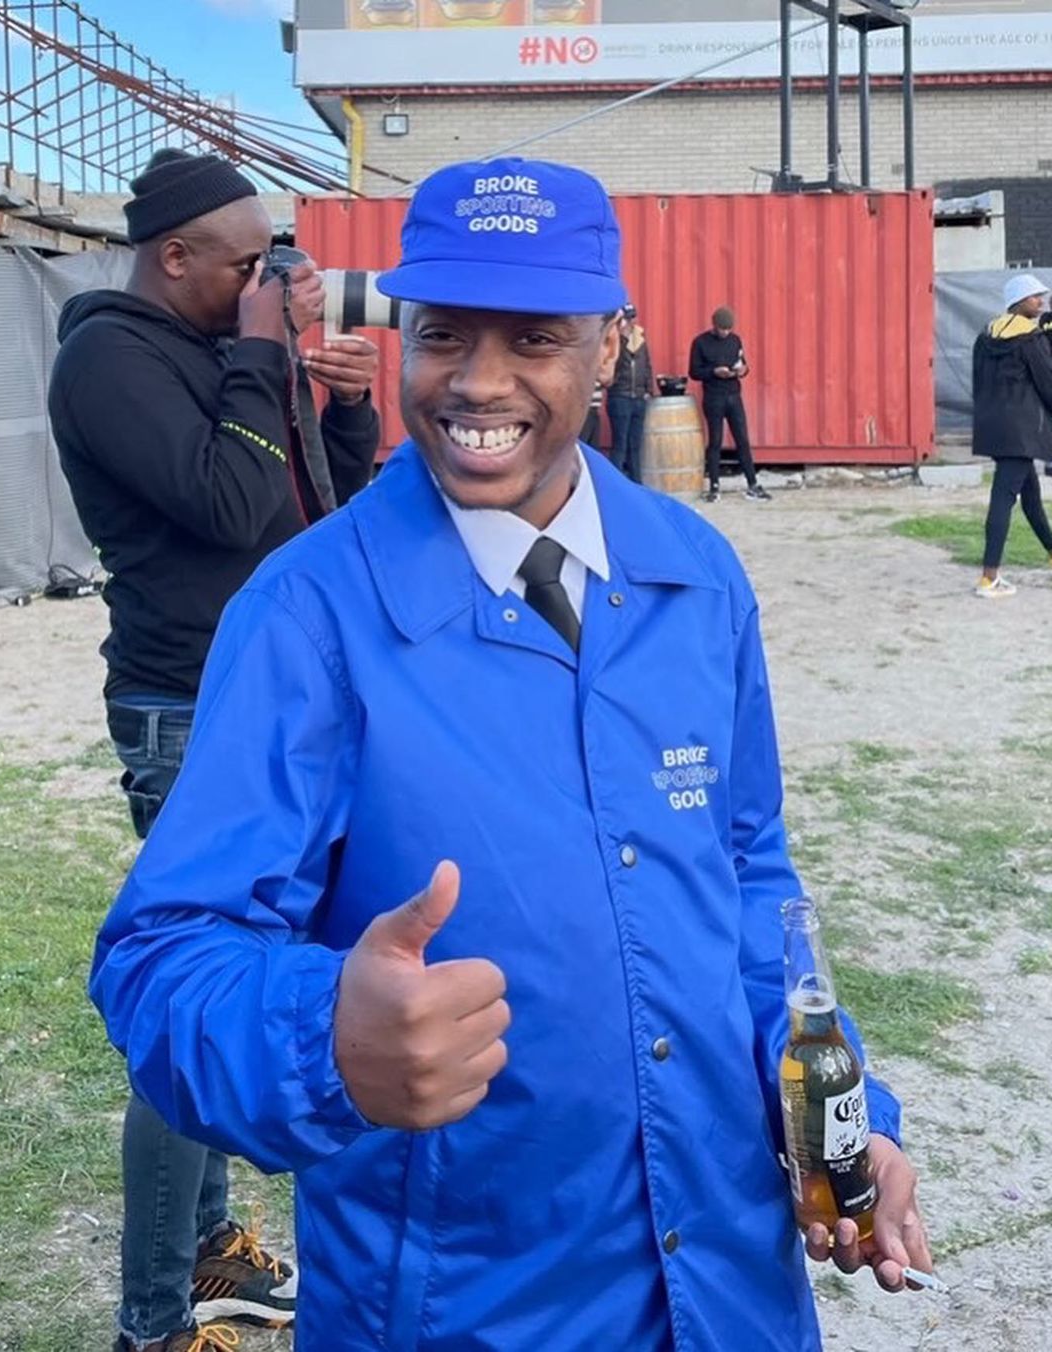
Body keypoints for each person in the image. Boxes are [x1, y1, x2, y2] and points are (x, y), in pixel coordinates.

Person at [90, 156, 935, 1352]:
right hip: (466, 1305)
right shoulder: (309, 616)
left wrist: (846, 1125)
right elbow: (163, 954)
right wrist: (323, 1036)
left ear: (611, 344)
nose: (478, 381)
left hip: (731, 1287)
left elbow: (748, 877)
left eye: (534, 337)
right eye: (444, 333)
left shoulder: (697, 575)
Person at [48, 149, 381, 1352]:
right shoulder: (107, 357)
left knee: (241, 984)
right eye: (247, 266)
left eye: (272, 264)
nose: (268, 284)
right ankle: (152, 1323)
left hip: (266, 702)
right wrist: (260, 352)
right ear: (173, 256)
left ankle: (207, 1251)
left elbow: (318, 510)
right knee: (196, 1001)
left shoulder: (229, 353)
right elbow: (229, 504)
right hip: (185, 708)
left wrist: (343, 402)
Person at [971, 272, 1052, 598]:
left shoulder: (985, 336)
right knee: (1002, 499)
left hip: (994, 426)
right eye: (1035, 297)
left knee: (1029, 494)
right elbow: (1047, 383)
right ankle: (989, 578)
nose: (1041, 301)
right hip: (1021, 430)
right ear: (1018, 302)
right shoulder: (1031, 339)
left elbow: (978, 382)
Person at [690, 306, 771, 503]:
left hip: (734, 395)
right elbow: (694, 372)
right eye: (722, 329)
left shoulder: (735, 340)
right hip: (713, 397)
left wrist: (743, 370)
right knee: (715, 441)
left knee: (742, 439)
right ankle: (714, 487)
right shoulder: (700, 342)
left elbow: (742, 363)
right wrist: (713, 372)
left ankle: (752, 484)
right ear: (714, 326)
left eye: (728, 329)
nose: (725, 332)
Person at [606, 301, 653, 481]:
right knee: (620, 444)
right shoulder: (613, 339)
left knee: (635, 446)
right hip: (620, 396)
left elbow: (646, 365)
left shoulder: (640, 338)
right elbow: (614, 367)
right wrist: (623, 339)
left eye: (633, 317)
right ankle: (616, 483)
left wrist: (649, 390)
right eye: (627, 318)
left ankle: (636, 484)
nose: (631, 322)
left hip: (638, 397)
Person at [579, 376, 605, 449]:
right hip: (585, 408)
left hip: (594, 408)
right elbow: (607, 378)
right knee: (583, 443)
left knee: (593, 445)